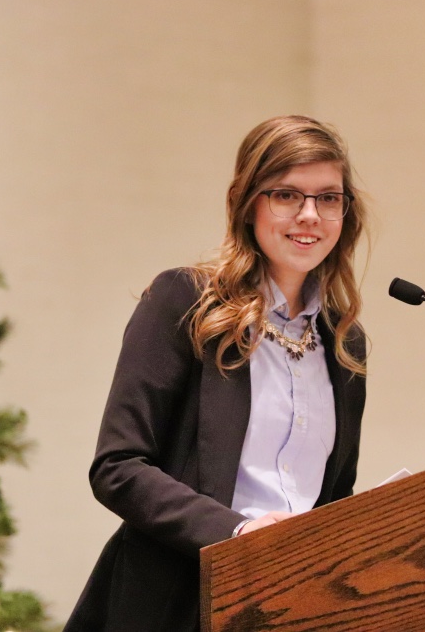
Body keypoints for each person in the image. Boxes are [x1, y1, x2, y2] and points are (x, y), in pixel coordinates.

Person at [64, 115, 369, 631]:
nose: (310, 215)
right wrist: (238, 533)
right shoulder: (186, 302)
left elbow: (333, 497)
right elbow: (118, 467)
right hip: (177, 605)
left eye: (328, 198)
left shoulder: (344, 342)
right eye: (286, 195)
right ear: (247, 203)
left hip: (294, 609)